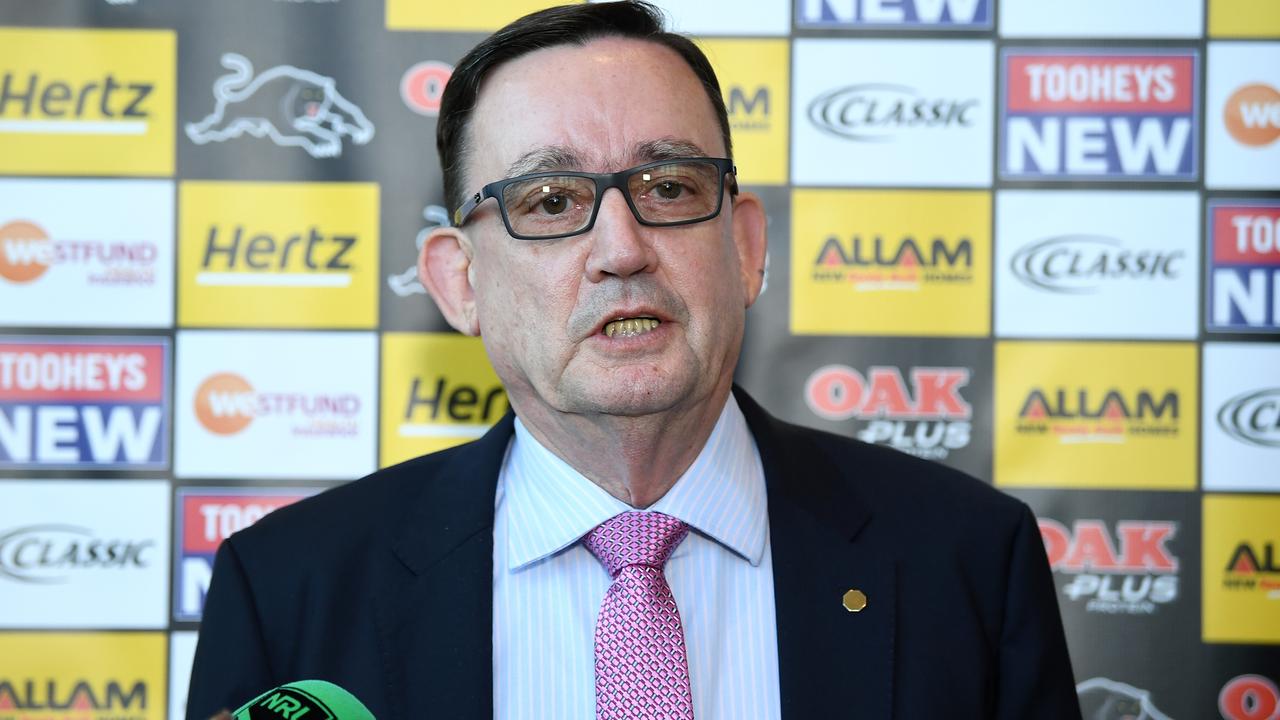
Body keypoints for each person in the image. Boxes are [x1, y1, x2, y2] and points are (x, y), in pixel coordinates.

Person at [186, 3, 1081, 718]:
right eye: (547, 200)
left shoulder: (964, 561)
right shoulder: (291, 591)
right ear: (459, 284)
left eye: (669, 187)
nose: (622, 247)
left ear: (746, 247)